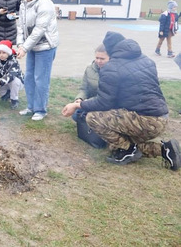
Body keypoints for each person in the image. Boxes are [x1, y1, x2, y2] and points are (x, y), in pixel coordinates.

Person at [62, 31, 181, 171]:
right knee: (116, 144)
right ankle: (165, 150)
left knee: (93, 118)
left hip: (145, 120)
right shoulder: (146, 60)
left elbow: (103, 103)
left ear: (110, 49)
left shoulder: (111, 68)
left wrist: (77, 105)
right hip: (161, 116)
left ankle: (129, 150)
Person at [16, 0, 59, 121]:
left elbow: (39, 29)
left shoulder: (45, 3)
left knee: (40, 79)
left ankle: (40, 109)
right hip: (32, 47)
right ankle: (31, 107)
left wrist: (25, 48)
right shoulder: (24, 4)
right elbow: (21, 27)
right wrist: (20, 45)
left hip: (46, 46)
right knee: (29, 77)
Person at [0, 40, 24, 109]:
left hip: (14, 81)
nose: (1, 55)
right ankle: (6, 94)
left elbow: (11, 75)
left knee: (15, 81)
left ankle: (14, 99)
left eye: (4, 52)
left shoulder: (13, 62)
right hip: (3, 82)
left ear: (8, 53)